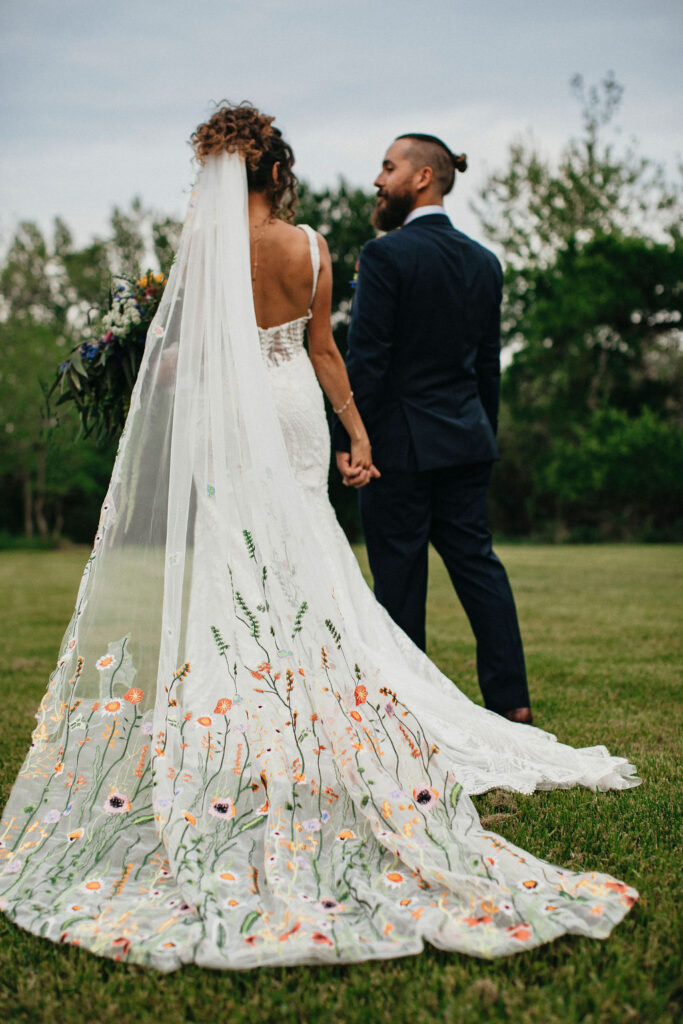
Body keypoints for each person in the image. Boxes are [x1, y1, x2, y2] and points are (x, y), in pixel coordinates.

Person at [0, 103, 639, 971]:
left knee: (236, 551)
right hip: (298, 406)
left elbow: (181, 354)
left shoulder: (205, 252)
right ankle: (327, 693)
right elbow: (322, 349)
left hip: (235, 413)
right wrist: (355, 430)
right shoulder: (311, 249)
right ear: (277, 172)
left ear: (224, 175)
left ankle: (239, 711)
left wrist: (137, 369)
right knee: (309, 548)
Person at [333, 133, 531, 723]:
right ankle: (512, 703)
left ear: (422, 177)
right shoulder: (483, 261)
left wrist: (347, 440)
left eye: (388, 168)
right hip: (468, 441)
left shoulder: (385, 256)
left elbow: (366, 359)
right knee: (479, 569)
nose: (378, 180)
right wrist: (482, 436)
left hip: (398, 448)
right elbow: (487, 364)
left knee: (398, 579)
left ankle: (406, 716)